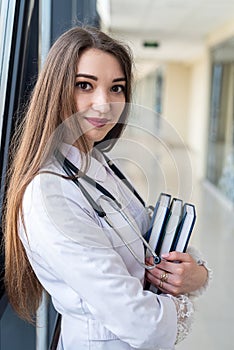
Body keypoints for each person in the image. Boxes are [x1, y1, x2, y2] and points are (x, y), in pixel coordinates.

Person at [3, 26, 211, 350]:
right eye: (85, 85)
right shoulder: (48, 196)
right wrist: (184, 303)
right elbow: (144, 326)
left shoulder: (97, 164)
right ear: (56, 90)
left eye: (116, 88)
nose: (104, 105)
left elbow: (145, 236)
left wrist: (196, 273)